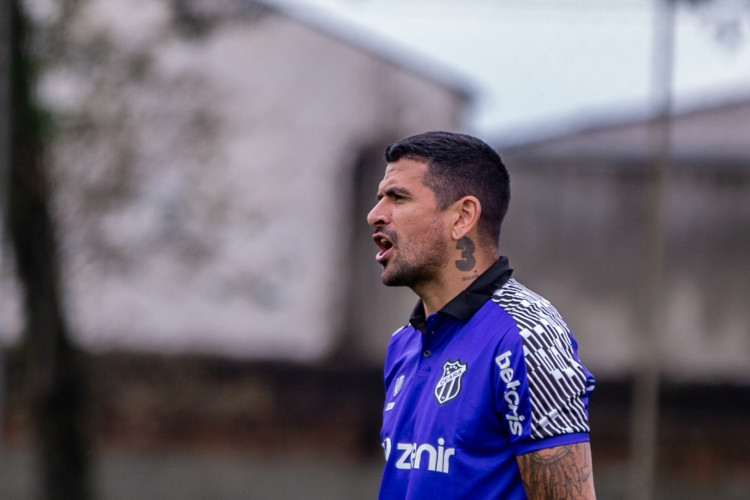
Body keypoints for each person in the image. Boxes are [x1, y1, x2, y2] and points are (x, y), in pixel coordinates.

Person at [367, 131, 596, 499]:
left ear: (463, 216)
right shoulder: (403, 344)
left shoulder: (528, 337)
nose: (375, 215)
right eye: (380, 198)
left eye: (398, 197)